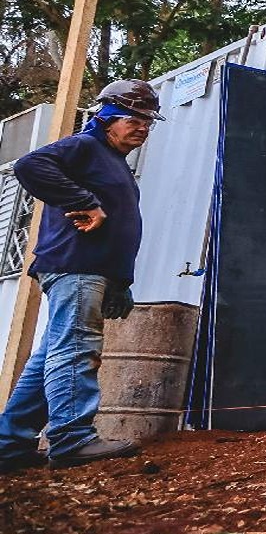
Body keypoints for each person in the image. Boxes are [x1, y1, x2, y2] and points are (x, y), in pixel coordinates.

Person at [0, 81, 161, 472]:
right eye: (132, 118)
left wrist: (121, 281)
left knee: (50, 358)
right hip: (75, 265)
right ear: (105, 118)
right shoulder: (86, 147)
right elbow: (29, 165)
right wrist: (84, 202)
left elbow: (118, 229)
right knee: (75, 348)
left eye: (148, 120)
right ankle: (72, 439)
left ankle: (10, 445)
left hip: (90, 270)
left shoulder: (113, 162)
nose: (142, 126)